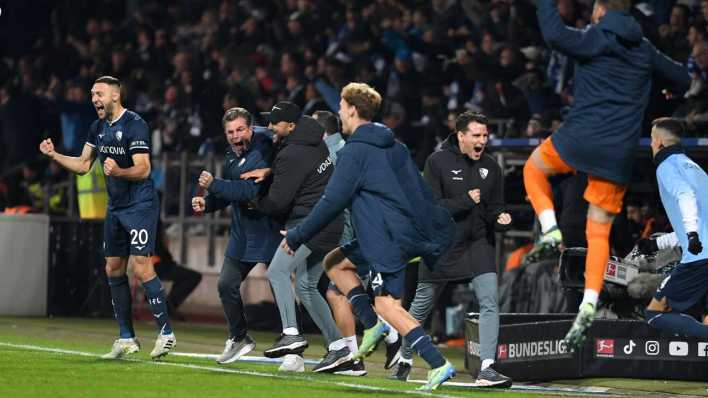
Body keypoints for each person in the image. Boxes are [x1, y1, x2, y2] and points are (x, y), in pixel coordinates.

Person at [522, 0, 690, 348]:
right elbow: (683, 78)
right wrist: (670, 92)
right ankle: (588, 303)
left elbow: (554, 34)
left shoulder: (594, 37)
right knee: (597, 231)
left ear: (600, 10)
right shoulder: (644, 49)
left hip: (579, 138)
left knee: (533, 168)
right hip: (618, 154)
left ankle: (550, 230)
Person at [282, 82, 457, 391]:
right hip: (399, 231)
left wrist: (297, 235)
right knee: (335, 262)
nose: (338, 111)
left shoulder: (355, 152)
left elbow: (331, 202)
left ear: (352, 109)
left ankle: (438, 363)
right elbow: (417, 189)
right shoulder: (395, 145)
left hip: (386, 236)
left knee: (390, 306)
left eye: (340, 105)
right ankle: (373, 326)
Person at [38, 76, 176, 359]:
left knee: (140, 266)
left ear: (115, 96)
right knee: (113, 268)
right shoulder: (97, 128)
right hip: (115, 207)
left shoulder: (135, 124)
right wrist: (54, 155)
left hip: (140, 204)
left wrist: (119, 171)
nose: (94, 99)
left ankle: (166, 333)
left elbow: (144, 169)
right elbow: (83, 165)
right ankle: (126, 337)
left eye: (98, 93)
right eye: (91, 94)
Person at [389, 111, 512, 387]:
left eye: (485, 135)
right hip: (442, 244)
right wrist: (465, 201)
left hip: (478, 243)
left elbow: (495, 206)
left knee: (490, 301)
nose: (482, 141)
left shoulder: (492, 166)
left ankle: (488, 368)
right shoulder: (437, 162)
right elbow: (429, 208)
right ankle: (405, 358)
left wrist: (501, 219)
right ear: (461, 136)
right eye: (476, 135)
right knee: (420, 308)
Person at [241, 101, 350, 373]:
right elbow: (303, 175)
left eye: (275, 123)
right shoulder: (316, 141)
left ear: (290, 126)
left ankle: (291, 332)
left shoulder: (292, 153)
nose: (269, 127)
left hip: (309, 225)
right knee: (306, 285)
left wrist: (253, 201)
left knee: (277, 271)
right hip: (329, 224)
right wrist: (272, 171)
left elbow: (277, 202)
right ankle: (340, 349)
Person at [313, 110, 401, 376]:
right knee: (362, 294)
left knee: (337, 292)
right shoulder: (352, 152)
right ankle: (381, 342)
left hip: (362, 236)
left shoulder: (339, 156)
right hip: (373, 233)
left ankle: (362, 351)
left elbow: (340, 202)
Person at [191, 107, 281, 364]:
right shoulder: (232, 154)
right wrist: (208, 203)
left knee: (281, 288)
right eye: (230, 131)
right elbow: (231, 194)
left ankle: (294, 343)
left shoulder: (264, 148)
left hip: (268, 229)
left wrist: (214, 184)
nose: (235, 135)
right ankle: (239, 337)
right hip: (242, 232)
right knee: (226, 284)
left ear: (251, 128)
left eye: (240, 129)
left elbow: (248, 192)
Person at [640, 118, 708, 338]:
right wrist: (658, 243)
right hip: (702, 250)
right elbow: (699, 219)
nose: (651, 145)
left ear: (659, 142)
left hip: (700, 258)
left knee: (654, 313)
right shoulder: (696, 168)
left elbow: (685, 197)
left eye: (651, 140)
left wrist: (692, 235)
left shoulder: (667, 166)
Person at [153, 218, 203, 321]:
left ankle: (169, 306)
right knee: (193, 277)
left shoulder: (151, 219)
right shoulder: (152, 221)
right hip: (157, 265)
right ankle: (168, 307)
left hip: (161, 262)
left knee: (188, 276)